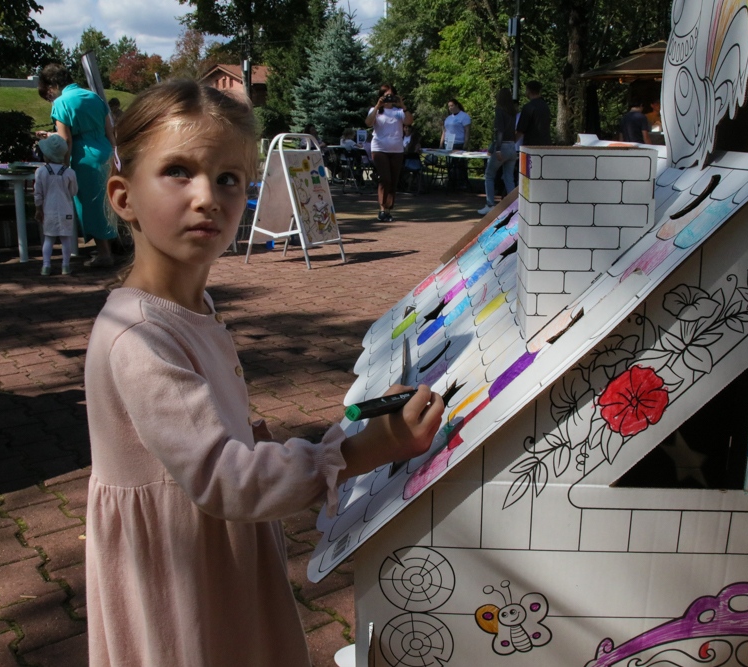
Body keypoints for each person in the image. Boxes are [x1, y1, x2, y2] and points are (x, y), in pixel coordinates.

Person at [87, 79, 444, 667]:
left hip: (214, 549)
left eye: (228, 178)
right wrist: (361, 451)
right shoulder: (140, 337)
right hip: (180, 573)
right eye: (178, 171)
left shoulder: (189, 307)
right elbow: (225, 479)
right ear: (124, 197)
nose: (208, 196)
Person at [37, 63, 117, 268]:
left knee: (92, 206)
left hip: (85, 158)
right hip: (106, 153)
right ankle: (112, 248)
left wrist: (63, 168)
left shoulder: (61, 103)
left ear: (53, 85)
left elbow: (66, 140)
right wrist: (116, 155)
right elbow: (110, 131)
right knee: (109, 202)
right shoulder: (94, 97)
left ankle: (104, 253)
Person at [366, 84, 412, 221]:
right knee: (385, 178)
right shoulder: (375, 111)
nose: (388, 98)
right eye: (386, 96)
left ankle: (388, 210)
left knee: (393, 180)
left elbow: (409, 121)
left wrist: (403, 106)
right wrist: (377, 106)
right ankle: (382, 208)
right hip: (379, 149)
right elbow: (368, 123)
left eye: (391, 96)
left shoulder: (399, 112)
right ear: (381, 96)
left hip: (396, 150)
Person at [33, 135, 77, 276]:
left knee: (49, 238)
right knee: (66, 239)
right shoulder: (69, 172)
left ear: (47, 156)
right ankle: (65, 266)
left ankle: (46, 266)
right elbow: (73, 191)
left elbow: (38, 193)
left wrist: (38, 208)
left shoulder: (41, 172)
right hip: (66, 210)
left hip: (48, 210)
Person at [478, 88, 518, 216]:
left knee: (489, 175)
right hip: (512, 146)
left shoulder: (499, 111)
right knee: (509, 177)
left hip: (503, 146)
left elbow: (499, 131)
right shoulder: (513, 112)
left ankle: (490, 204)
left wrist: (498, 148)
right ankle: (514, 205)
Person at [440, 99, 471, 189]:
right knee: (450, 165)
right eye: (449, 106)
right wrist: (441, 143)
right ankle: (452, 182)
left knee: (460, 165)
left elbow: (467, 131)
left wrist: (466, 143)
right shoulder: (448, 118)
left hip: (458, 143)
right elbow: (444, 131)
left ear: (457, 105)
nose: (450, 108)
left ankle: (462, 183)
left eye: (452, 106)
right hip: (448, 143)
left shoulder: (464, 116)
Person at [515, 81, 552, 146]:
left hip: (531, 145)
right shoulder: (545, 106)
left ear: (528, 91)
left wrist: (511, 143)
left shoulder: (528, 107)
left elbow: (521, 130)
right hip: (545, 144)